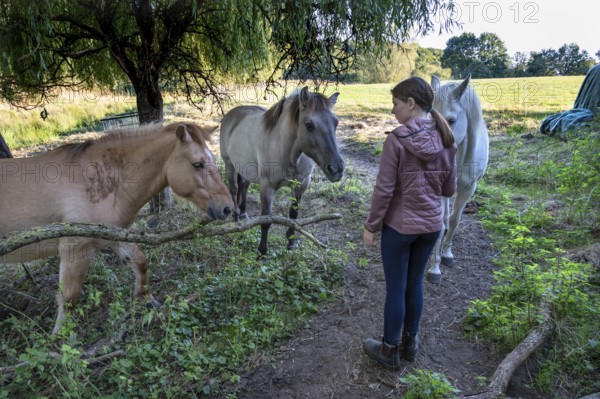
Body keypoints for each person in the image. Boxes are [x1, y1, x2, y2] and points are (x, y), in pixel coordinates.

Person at [362, 76, 457, 370]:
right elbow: (449, 190)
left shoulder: (397, 140)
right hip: (432, 228)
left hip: (400, 229)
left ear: (411, 104)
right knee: (415, 284)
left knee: (396, 287)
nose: (393, 111)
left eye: (396, 104)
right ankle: (410, 344)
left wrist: (371, 226)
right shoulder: (447, 138)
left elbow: (384, 190)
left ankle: (389, 351)